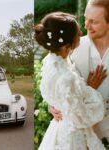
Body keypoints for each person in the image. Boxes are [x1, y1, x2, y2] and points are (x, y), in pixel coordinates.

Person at [35, 11, 106, 150]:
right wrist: (90, 89)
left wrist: (55, 105)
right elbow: (81, 118)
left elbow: (55, 94)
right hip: (71, 137)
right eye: (78, 34)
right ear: (67, 43)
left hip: (57, 129)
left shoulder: (50, 61)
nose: (82, 34)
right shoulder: (66, 77)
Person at [51, 0, 109, 141]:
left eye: (94, 22)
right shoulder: (70, 47)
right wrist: (53, 105)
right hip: (79, 134)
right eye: (85, 18)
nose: (86, 26)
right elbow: (55, 81)